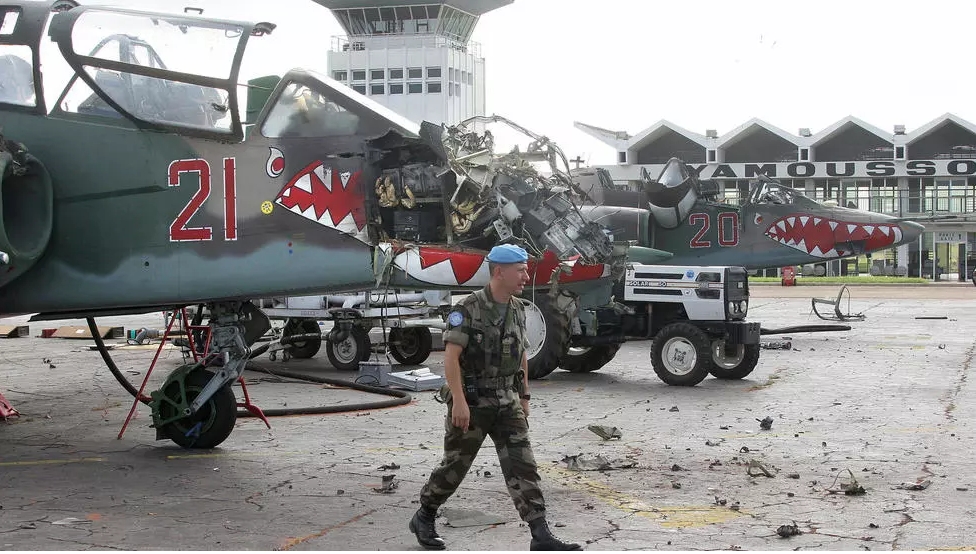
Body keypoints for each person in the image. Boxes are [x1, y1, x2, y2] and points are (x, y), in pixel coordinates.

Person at [410, 244, 582, 551]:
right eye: (520, 270)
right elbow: (450, 358)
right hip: (473, 401)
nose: (525, 276)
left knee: (523, 465)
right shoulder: (468, 309)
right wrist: (459, 402)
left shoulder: (517, 308)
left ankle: (540, 534)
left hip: (507, 399)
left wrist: (525, 395)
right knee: (456, 466)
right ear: (499, 272)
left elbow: (522, 354)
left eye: (526, 270)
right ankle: (424, 515)